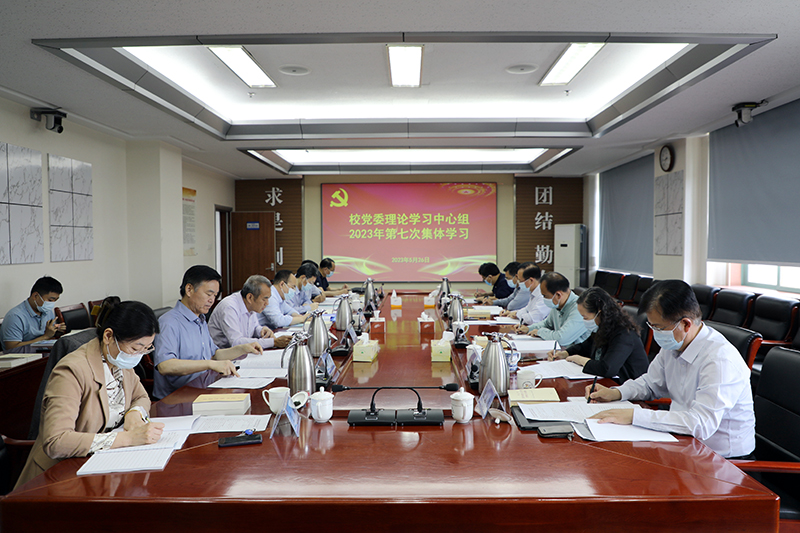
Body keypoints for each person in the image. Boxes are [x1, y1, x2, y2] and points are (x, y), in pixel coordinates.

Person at [587, 279, 755, 459]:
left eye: (659, 328)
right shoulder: (675, 343)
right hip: (682, 443)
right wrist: (616, 393)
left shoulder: (720, 360)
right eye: (651, 326)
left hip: (721, 460)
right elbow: (650, 383)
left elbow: (700, 424)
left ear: (686, 324)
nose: (655, 333)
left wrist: (635, 416)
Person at [15, 298, 165, 489]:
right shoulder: (73, 370)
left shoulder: (119, 361)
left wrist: (133, 413)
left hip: (100, 467)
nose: (139, 355)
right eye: (136, 348)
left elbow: (141, 397)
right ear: (108, 336)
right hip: (57, 477)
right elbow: (56, 441)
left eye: (146, 348)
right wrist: (126, 439)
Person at [153, 266, 262, 400]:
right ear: (189, 289)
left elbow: (214, 355)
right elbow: (165, 365)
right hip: (177, 398)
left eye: (215, 296)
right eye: (208, 294)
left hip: (203, 388)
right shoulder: (169, 322)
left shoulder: (200, 319)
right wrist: (210, 364)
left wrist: (243, 349)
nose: (212, 300)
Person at [548, 287, 649, 383]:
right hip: (607, 382)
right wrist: (565, 353)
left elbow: (607, 368)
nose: (584, 321)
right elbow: (585, 347)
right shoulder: (602, 326)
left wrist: (579, 359)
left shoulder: (624, 334)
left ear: (599, 312)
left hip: (627, 386)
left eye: (585, 317)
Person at [208, 275, 291, 350]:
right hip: (222, 356)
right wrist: (273, 342)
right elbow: (236, 342)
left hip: (243, 353)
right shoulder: (229, 307)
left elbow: (254, 327)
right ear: (250, 297)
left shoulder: (250, 305)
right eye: (264, 299)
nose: (267, 303)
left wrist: (262, 330)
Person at [516, 272, 590, 347]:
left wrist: (540, 332)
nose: (544, 299)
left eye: (545, 296)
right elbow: (547, 324)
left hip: (574, 352)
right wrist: (528, 329)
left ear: (558, 295)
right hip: (559, 350)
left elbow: (561, 339)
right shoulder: (558, 304)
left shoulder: (580, 308)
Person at [1, 276, 66, 350]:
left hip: (44, 353)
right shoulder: (15, 316)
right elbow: (11, 348)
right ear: (35, 296)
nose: (52, 304)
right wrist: (45, 337)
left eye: (55, 300)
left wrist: (57, 330)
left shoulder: (47, 311)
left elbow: (50, 335)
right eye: (50, 300)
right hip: (25, 356)